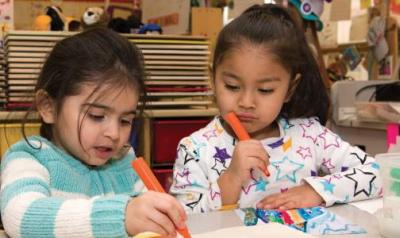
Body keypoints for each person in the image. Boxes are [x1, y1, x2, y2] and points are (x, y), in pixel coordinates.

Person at [170, 4, 382, 213]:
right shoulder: (196, 149)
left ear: (290, 89)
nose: (246, 102)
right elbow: (184, 219)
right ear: (213, 79)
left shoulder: (310, 135)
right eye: (232, 86)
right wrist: (231, 180)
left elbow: (379, 173)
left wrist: (315, 191)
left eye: (265, 90)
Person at [0, 28, 187, 237]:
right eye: (97, 116)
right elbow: (20, 217)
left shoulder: (123, 160)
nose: (114, 134)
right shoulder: (29, 157)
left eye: (125, 120)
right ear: (48, 107)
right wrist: (122, 216)